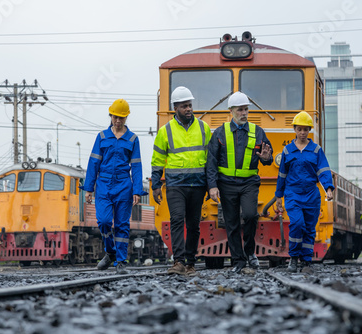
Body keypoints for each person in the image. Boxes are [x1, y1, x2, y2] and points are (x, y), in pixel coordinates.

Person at [207, 91, 273, 274]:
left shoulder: (258, 132)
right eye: (240, 110)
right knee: (232, 222)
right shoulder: (220, 133)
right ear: (231, 111)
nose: (244, 113)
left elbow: (268, 156)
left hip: (249, 183)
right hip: (226, 184)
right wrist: (212, 186)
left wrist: (267, 158)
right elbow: (211, 161)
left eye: (246, 109)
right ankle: (238, 260)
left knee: (251, 215)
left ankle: (250, 251)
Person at [151, 86, 211, 276]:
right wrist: (155, 184)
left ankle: (191, 263)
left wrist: (212, 184)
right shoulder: (165, 131)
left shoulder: (204, 128)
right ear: (175, 107)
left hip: (198, 184)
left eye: (190, 105)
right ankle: (178, 261)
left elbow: (211, 159)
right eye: (184, 106)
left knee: (193, 225)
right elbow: (158, 159)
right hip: (175, 185)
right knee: (177, 220)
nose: (188, 109)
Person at [82, 99, 146, 274]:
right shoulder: (102, 137)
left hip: (124, 185)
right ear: (110, 116)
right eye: (115, 117)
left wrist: (137, 190)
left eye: (122, 118)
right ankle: (110, 252)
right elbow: (93, 162)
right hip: (103, 184)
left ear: (126, 118)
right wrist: (89, 188)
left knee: (122, 224)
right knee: (103, 221)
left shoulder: (132, 139)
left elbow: (137, 166)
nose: (118, 121)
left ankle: (121, 261)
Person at [274, 111, 334, 273]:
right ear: (294, 129)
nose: (302, 132)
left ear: (309, 131)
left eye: (305, 129)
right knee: (297, 224)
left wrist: (328, 188)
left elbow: (323, 170)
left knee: (309, 228)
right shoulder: (287, 151)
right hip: (292, 194)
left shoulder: (316, 150)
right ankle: (293, 258)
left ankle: (306, 260)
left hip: (311, 195)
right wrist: (278, 196)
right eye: (299, 129)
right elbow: (282, 175)